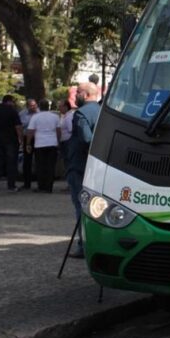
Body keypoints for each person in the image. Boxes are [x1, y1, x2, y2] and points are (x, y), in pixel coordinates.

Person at [66, 82, 101, 258]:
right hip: (97, 167)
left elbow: (87, 139)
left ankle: (83, 245)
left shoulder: (81, 113)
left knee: (81, 206)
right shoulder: (103, 111)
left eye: (77, 92)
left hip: (79, 166)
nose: (75, 95)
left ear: (86, 94)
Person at [0, 95, 22, 191]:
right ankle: (11, 185)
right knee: (11, 162)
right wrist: (20, 138)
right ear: (9, 102)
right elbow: (18, 126)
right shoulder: (12, 112)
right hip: (10, 138)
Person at [27, 99, 61, 193]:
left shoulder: (35, 117)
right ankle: (49, 187)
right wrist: (58, 141)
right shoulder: (55, 117)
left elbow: (30, 131)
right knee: (50, 166)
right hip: (52, 143)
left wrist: (28, 143)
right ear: (48, 107)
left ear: (39, 106)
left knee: (40, 166)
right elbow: (58, 131)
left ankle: (41, 186)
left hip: (39, 144)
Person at [19, 98, 38, 189]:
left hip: (38, 138)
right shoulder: (22, 114)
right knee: (27, 161)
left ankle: (40, 182)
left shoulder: (40, 113)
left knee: (39, 160)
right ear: (27, 106)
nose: (33, 107)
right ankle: (27, 183)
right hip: (27, 138)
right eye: (31, 106)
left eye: (35, 105)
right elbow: (19, 126)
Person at [58, 99, 74, 178]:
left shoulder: (68, 117)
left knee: (68, 162)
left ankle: (70, 182)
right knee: (66, 162)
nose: (59, 108)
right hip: (64, 142)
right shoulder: (64, 116)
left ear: (66, 107)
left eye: (60, 106)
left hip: (67, 142)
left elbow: (70, 129)